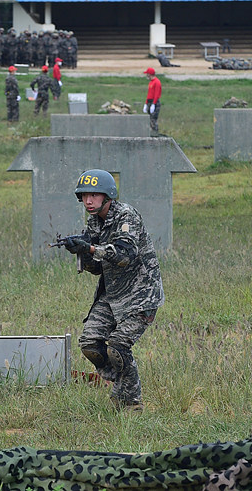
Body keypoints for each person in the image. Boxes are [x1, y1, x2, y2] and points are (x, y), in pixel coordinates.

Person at [61, 170, 164, 412]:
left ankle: (131, 402)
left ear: (108, 196)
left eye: (94, 195)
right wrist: (82, 252)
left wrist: (92, 248)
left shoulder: (126, 216)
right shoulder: (95, 221)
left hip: (141, 294)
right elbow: (97, 269)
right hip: (113, 294)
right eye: (85, 195)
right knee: (89, 343)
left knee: (118, 346)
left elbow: (124, 255)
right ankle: (121, 384)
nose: (88, 201)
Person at [143, 68, 161, 135]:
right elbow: (149, 94)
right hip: (149, 102)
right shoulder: (151, 82)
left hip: (155, 102)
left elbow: (156, 94)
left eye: (147, 74)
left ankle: (155, 133)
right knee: (149, 119)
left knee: (153, 119)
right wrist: (146, 103)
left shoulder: (157, 82)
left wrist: (153, 104)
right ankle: (151, 133)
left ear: (149, 74)